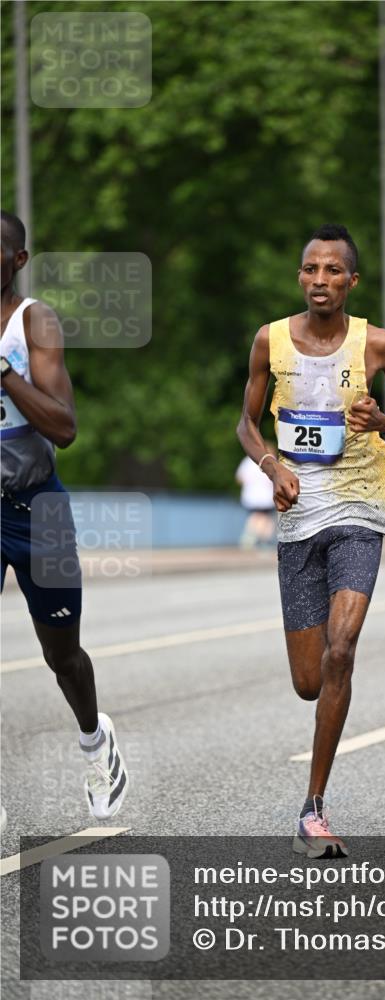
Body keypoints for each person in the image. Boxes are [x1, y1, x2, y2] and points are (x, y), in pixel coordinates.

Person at [237, 223, 385, 857]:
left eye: (332, 271)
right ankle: (317, 769)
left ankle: (313, 809)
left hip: (361, 501)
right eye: (310, 270)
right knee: (307, 679)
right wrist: (272, 466)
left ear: (352, 281)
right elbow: (246, 423)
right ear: (301, 277)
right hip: (299, 510)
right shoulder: (269, 341)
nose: (320, 280)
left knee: (342, 649)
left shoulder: (377, 344)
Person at [1, 210, 128, 824]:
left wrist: (2, 373)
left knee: (62, 656)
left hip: (40, 508)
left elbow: (65, 426)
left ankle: (94, 741)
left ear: (17, 261)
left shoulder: (34, 323)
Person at [235, 443, 277, 548]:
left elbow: (239, 478)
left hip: (251, 496)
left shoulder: (248, 461)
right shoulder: (272, 462)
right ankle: (262, 539)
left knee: (256, 516)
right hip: (266, 496)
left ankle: (251, 536)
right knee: (265, 518)